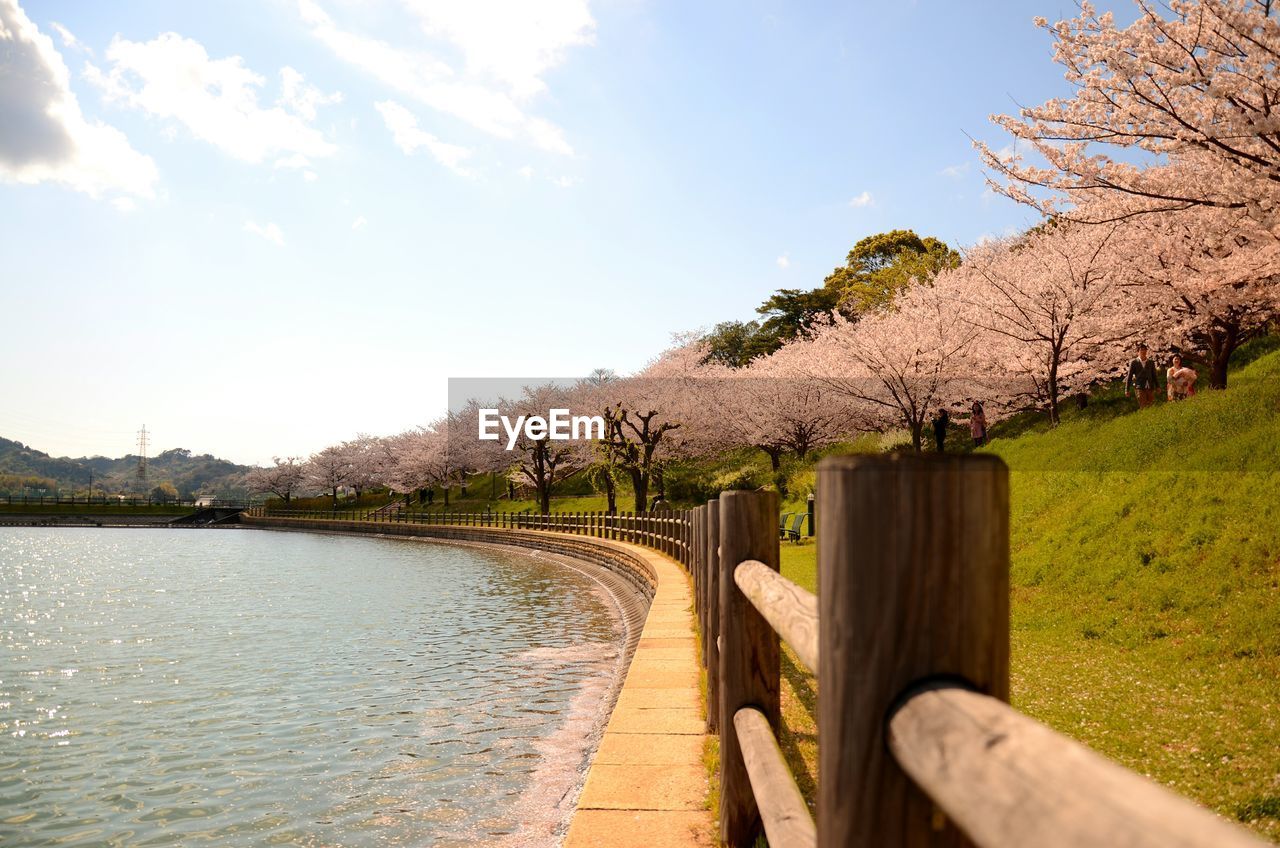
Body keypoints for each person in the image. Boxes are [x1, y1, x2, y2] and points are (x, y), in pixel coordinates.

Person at [1124, 343, 1160, 409]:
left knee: (1151, 405)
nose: (1143, 351)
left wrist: (1157, 386)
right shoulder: (1134, 362)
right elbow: (1129, 376)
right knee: (1143, 405)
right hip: (1139, 386)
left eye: (1145, 350)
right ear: (1138, 352)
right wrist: (1127, 389)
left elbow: (1154, 375)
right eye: (1141, 350)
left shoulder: (1151, 362)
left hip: (1150, 385)